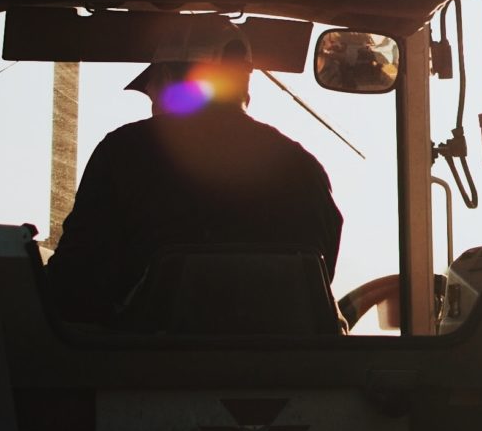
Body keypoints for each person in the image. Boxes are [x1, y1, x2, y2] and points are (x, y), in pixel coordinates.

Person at [44, 20, 342, 324]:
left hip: (143, 363)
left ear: (166, 76)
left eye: (152, 92)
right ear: (244, 82)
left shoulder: (124, 152)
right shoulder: (302, 166)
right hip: (288, 365)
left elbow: (75, 279)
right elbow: (318, 277)